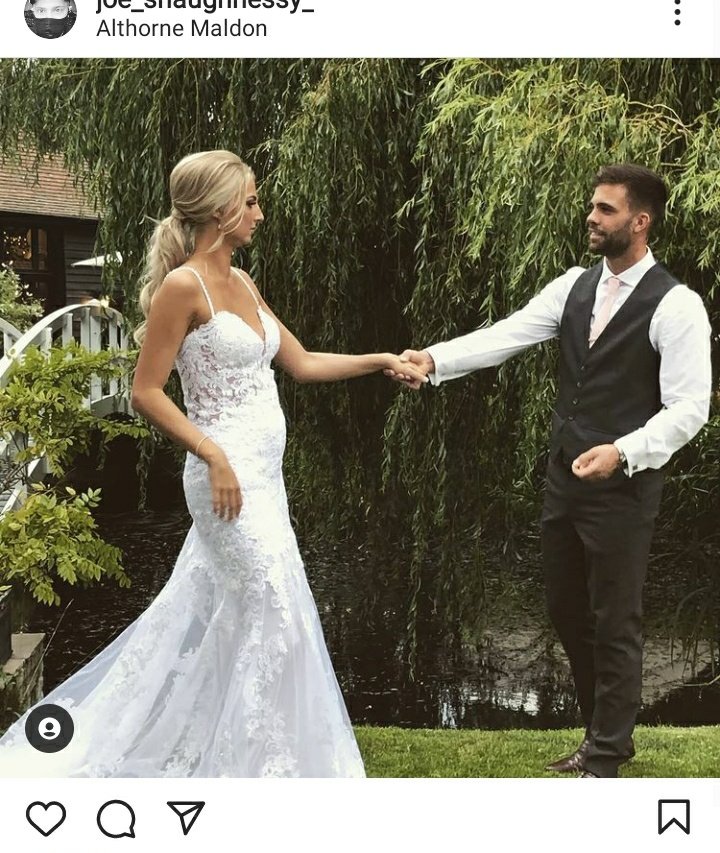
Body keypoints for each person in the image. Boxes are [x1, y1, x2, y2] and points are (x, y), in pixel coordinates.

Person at [0, 150, 423, 777]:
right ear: (220, 209)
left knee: (251, 614)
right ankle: (249, 767)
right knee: (274, 609)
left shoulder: (243, 283)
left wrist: (381, 359)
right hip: (222, 476)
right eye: (250, 201)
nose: (259, 213)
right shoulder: (183, 287)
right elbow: (145, 392)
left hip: (265, 480)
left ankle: (247, 756)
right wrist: (212, 452)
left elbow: (302, 363)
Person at [387, 164, 712, 778]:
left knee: (615, 618)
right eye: (593, 205)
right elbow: (507, 334)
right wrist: (433, 360)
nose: (592, 216)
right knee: (567, 609)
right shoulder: (573, 286)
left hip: (624, 485)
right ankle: (602, 734)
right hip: (565, 478)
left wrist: (624, 451)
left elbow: (690, 408)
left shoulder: (677, 306)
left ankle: (606, 752)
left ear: (640, 221)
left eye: (607, 209)